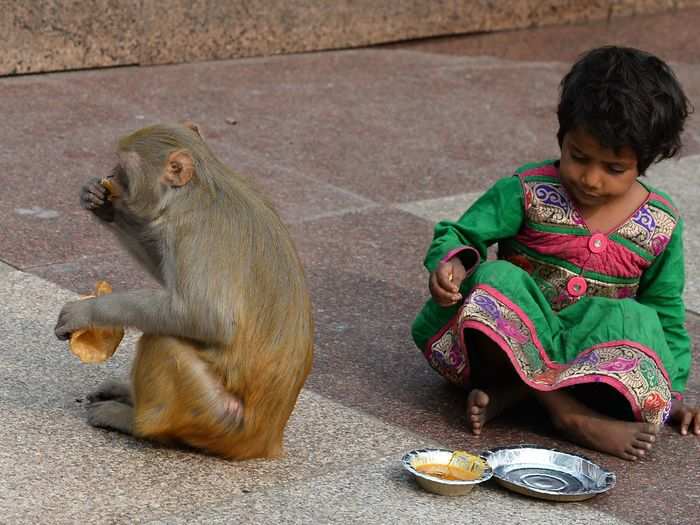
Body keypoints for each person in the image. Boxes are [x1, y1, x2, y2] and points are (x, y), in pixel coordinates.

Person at [411, 46, 699, 461]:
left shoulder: (660, 223)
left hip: (587, 360)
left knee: (639, 318)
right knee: (495, 279)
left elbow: (666, 310)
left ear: (645, 162)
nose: (591, 179)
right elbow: (462, 232)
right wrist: (453, 263)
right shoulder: (527, 189)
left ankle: (518, 395)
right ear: (562, 136)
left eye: (613, 168)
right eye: (578, 157)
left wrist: (671, 392)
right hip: (507, 346)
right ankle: (567, 415)